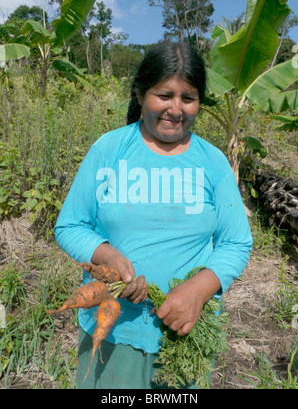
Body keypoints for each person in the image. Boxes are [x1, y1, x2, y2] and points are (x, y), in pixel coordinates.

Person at [54, 41, 253, 389]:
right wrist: (109, 255)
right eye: (164, 95)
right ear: (140, 94)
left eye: (188, 98)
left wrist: (198, 289)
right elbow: (71, 225)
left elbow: (236, 242)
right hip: (113, 332)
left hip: (185, 337)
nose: (176, 109)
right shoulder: (109, 150)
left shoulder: (213, 163)